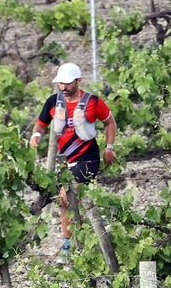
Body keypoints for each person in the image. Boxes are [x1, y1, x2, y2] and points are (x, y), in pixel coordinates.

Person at [29, 62, 117, 259]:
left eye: (68, 83)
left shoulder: (93, 102)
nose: (64, 87)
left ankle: (69, 246)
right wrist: (36, 135)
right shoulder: (53, 102)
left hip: (87, 158)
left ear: (78, 81)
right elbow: (41, 124)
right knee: (69, 203)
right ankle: (79, 241)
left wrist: (109, 147)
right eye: (61, 83)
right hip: (65, 161)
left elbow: (110, 122)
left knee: (65, 199)